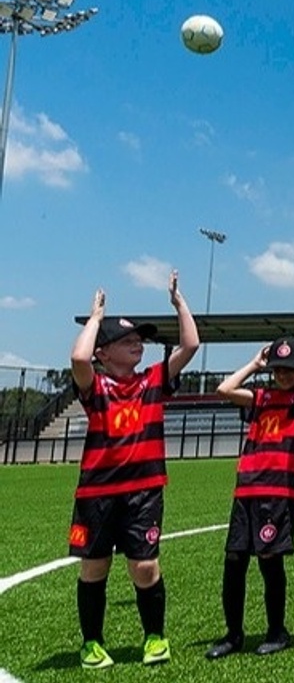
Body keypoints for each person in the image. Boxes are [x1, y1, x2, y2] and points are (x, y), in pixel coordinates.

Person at [68, 274, 199, 669]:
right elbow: (78, 359)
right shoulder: (95, 387)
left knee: (144, 566)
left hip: (144, 492)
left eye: (139, 339)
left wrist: (179, 303)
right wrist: (95, 318)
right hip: (97, 494)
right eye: (127, 341)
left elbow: (190, 344)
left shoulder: (153, 381)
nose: (137, 344)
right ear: (103, 353)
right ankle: (92, 643)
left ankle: (155, 637)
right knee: (95, 567)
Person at [208, 331, 294, 658]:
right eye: (279, 369)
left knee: (269, 559)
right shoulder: (261, 397)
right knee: (234, 560)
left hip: (280, 491)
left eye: (291, 369)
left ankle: (277, 630)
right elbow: (224, 390)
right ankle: (233, 634)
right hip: (248, 487)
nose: (284, 375)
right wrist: (254, 363)